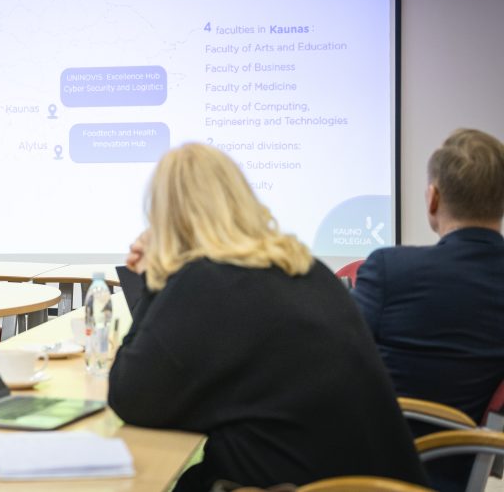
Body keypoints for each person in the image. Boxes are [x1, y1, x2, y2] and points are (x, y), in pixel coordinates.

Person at [109, 143, 428, 491]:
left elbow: (132, 397)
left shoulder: (205, 281)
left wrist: (154, 278)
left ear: (164, 219)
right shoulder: (305, 267)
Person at [353, 128, 504, 491]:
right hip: (460, 474)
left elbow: (336, 361)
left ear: (433, 198)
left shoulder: (390, 270)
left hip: (370, 474)